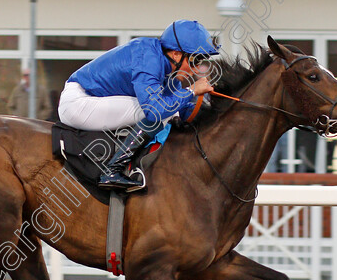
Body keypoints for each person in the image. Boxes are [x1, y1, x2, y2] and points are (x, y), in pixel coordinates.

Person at [58, 19, 217, 190]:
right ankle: (112, 170)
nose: (197, 68)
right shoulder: (148, 60)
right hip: (77, 103)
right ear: (176, 54)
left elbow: (183, 109)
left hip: (91, 100)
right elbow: (155, 110)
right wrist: (192, 91)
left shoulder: (166, 68)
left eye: (202, 61)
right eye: (195, 60)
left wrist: (216, 110)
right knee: (158, 112)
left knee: (170, 109)